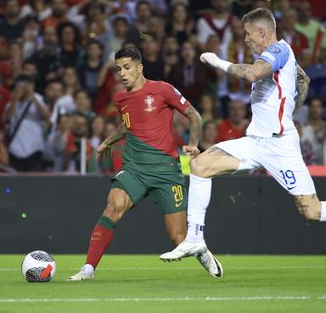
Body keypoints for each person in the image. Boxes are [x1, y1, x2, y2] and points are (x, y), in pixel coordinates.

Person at [160, 8, 326, 264]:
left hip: (279, 146)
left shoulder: (278, 51)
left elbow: (253, 74)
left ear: (262, 32)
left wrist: (218, 62)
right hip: (255, 142)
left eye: (247, 34)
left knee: (312, 210)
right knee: (200, 165)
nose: (245, 40)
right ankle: (195, 237)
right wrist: (288, 110)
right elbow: (304, 81)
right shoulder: (279, 56)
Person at [67, 47, 223, 281]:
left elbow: (194, 115)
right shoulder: (120, 98)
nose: (122, 73)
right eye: (118, 69)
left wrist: (193, 144)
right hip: (134, 169)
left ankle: (202, 250)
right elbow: (128, 124)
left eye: (127, 67)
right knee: (112, 208)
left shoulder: (163, 89)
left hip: (166, 171)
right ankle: (88, 269)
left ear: (140, 68)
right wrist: (107, 142)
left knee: (178, 238)